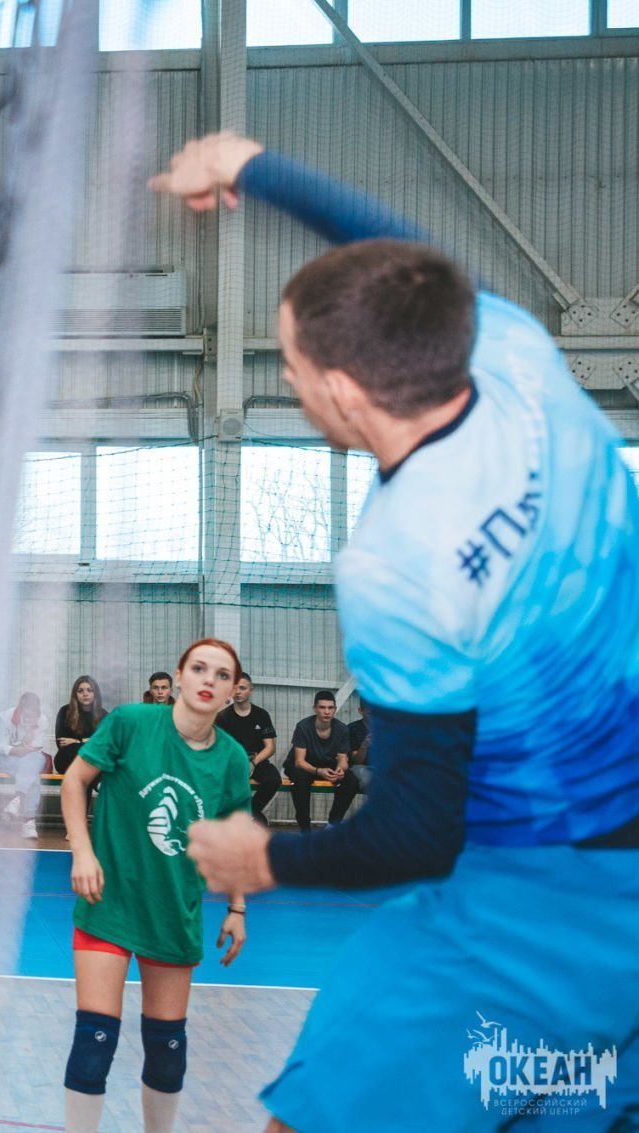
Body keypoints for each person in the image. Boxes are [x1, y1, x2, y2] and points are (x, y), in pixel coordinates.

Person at [157, 135, 639, 1131]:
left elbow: (419, 830)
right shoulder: (510, 352)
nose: (293, 383)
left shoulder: (396, 563)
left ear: (341, 391)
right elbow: (412, 264)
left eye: (292, 366)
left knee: (314, 1115)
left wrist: (265, 859)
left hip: (552, 891)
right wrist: (249, 164)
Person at [59, 639, 252, 1133]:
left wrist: (237, 908)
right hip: (110, 903)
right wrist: (82, 850)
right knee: (95, 1041)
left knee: (167, 1050)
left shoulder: (232, 759)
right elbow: (75, 781)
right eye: (199, 669)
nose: (209, 680)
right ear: (178, 677)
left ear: (233, 690)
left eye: (222, 675)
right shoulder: (130, 723)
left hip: (173, 913)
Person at [284, 691, 359, 831]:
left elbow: (343, 759)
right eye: (322, 707)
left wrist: (340, 769)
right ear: (315, 709)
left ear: (335, 709)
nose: (326, 712)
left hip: (327, 764)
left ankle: (332, 825)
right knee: (299, 779)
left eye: (330, 708)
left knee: (351, 780)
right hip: (304, 766)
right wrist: (318, 771)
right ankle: (305, 828)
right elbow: (299, 761)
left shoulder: (342, 729)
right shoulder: (303, 727)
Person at [215, 673, 280, 821]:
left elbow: (270, 747)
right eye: (235, 688)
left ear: (251, 690)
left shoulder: (261, 715)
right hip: (233, 764)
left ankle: (250, 812)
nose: (238, 692)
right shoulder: (222, 717)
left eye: (242, 688)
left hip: (257, 761)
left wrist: (253, 762)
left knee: (274, 779)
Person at [0, 692, 54, 839]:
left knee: (34, 761)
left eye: (33, 714)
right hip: (7, 758)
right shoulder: (5, 717)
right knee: (32, 775)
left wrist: (29, 730)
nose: (29, 717)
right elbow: (1, 746)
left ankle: (17, 800)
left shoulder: (42, 720)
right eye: (26, 714)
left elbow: (36, 748)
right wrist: (17, 750)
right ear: (20, 708)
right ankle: (29, 821)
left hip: (29, 758)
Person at [53, 675, 106, 775]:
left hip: (93, 758)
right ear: (75, 694)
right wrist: (89, 741)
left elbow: (104, 743)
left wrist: (76, 741)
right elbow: (61, 743)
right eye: (80, 691)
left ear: (95, 693)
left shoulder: (103, 714)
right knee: (66, 756)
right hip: (69, 758)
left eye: (89, 690)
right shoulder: (65, 711)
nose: (85, 694)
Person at [344, 699, 372, 792]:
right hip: (360, 767)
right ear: (361, 711)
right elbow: (356, 760)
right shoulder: (352, 729)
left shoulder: (386, 729)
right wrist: (365, 745)